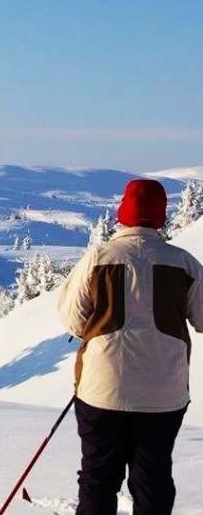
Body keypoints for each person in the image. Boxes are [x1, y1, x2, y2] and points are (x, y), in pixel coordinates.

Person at [58, 179, 203, 514]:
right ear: (162, 215)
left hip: (102, 388)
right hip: (163, 392)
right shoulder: (184, 263)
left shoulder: (98, 258)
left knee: (99, 478)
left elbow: (73, 319)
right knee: (153, 479)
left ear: (122, 212)